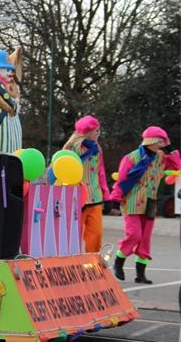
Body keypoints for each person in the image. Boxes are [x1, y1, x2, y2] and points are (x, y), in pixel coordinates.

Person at [108, 126, 181, 284]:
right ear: (151, 141)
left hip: (150, 203)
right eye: (160, 141)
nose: (162, 144)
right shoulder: (131, 158)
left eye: (164, 141)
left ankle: (140, 274)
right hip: (132, 202)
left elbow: (177, 166)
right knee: (134, 235)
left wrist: (170, 149)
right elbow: (122, 180)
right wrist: (115, 201)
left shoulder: (161, 157)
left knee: (145, 239)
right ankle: (119, 261)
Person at [63, 115, 109, 253]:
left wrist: (106, 195)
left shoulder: (97, 148)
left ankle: (92, 261)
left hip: (95, 197)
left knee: (96, 234)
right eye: (96, 131)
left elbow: (101, 172)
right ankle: (73, 261)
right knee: (74, 235)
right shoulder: (71, 148)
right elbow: (62, 170)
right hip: (76, 198)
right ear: (87, 132)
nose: (99, 134)